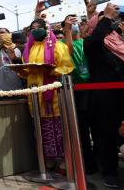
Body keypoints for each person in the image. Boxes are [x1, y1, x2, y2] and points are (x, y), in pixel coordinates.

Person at [84, 3, 124, 188]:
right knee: (106, 137)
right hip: (104, 101)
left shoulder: (120, 42)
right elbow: (95, 40)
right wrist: (106, 17)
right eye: (103, 22)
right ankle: (110, 173)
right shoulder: (92, 44)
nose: (110, 24)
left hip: (122, 97)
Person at [22, 18, 74, 170]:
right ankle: (48, 159)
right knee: (42, 128)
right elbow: (26, 69)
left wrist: (51, 71)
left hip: (54, 94)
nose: (35, 29)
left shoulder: (58, 45)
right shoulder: (29, 48)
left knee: (59, 126)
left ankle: (65, 158)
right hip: (34, 93)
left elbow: (66, 66)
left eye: (39, 27)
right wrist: (22, 71)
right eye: (33, 28)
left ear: (46, 28)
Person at [61, 14, 97, 174]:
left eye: (76, 21)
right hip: (74, 91)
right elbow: (67, 51)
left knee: (95, 126)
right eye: (70, 21)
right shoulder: (62, 44)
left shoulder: (86, 42)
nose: (74, 23)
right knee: (81, 129)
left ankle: (99, 160)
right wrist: (68, 31)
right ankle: (86, 164)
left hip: (92, 89)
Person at [0, 28, 24, 92]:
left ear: (9, 34)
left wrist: (15, 59)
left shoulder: (20, 49)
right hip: (1, 90)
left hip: (18, 90)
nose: (0, 35)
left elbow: (24, 66)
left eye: (2, 33)